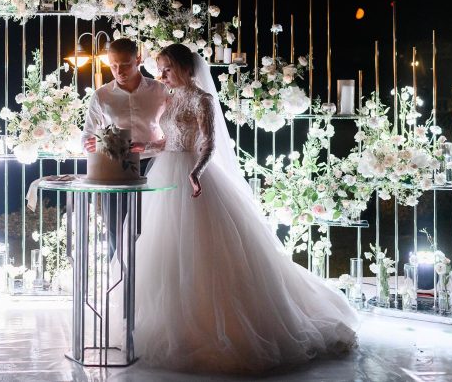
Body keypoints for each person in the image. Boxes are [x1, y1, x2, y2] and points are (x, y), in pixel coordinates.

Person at [131, 43, 358, 374]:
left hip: (194, 176)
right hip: (166, 173)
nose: (162, 75)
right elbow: (170, 140)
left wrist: (196, 172)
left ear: (185, 68)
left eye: (167, 69)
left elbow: (208, 143)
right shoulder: (170, 98)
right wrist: (146, 146)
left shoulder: (202, 99)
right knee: (164, 247)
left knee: (204, 252)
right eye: (160, 69)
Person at [82, 38, 168, 258]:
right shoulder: (101, 96)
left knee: (152, 229)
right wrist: (89, 144)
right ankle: (118, 276)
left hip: (154, 167)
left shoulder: (160, 91)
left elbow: (174, 133)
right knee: (116, 230)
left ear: (138, 59)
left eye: (125, 65)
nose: (119, 71)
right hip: (114, 171)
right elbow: (87, 135)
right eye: (113, 66)